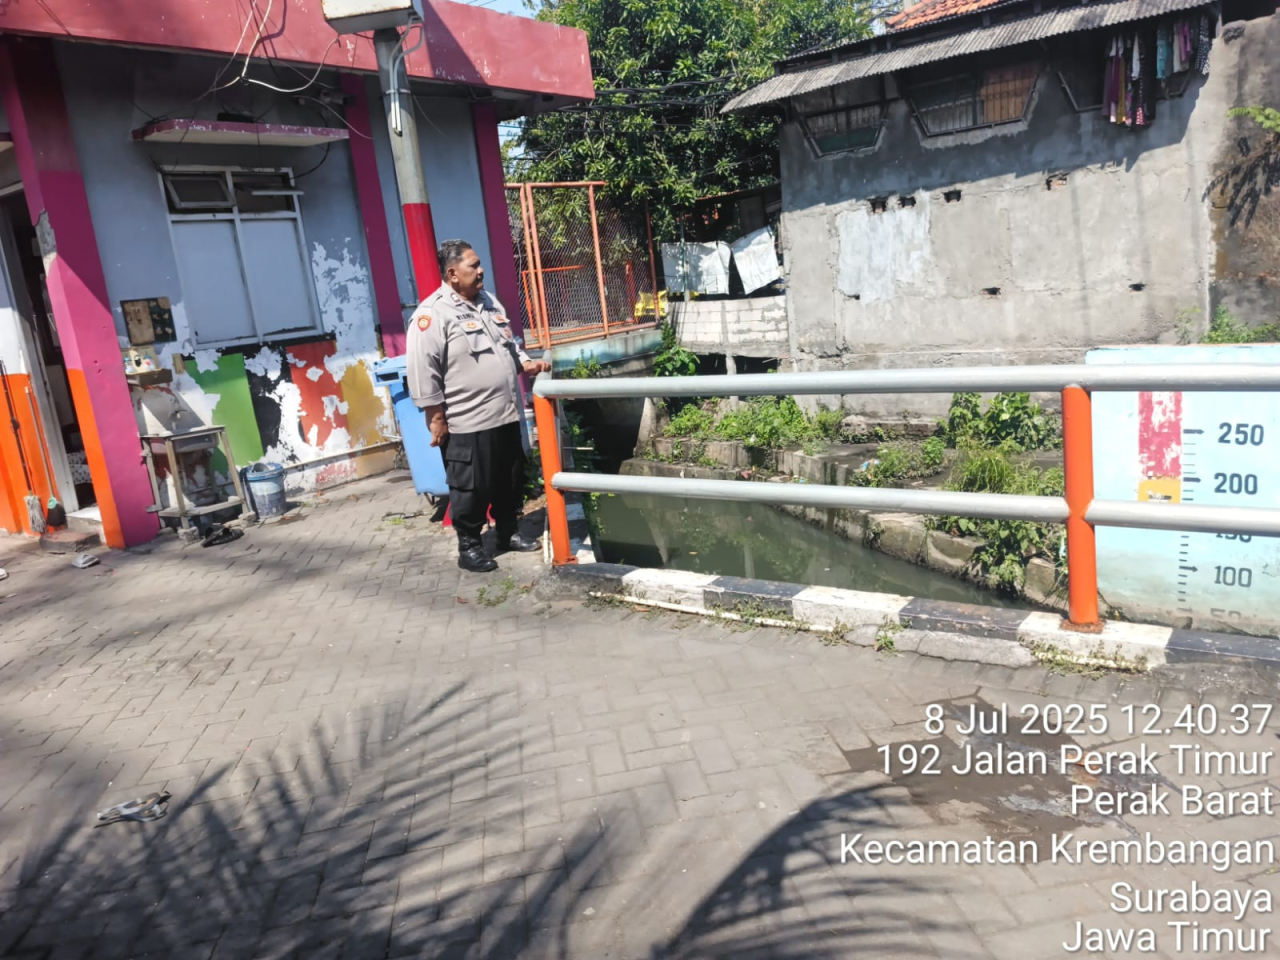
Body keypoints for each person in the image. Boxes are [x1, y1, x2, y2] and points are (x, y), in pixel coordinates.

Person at [406, 240, 551, 572]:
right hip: (467, 420)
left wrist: (525, 362)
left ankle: (508, 532)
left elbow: (509, 343)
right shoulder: (432, 314)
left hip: (505, 413)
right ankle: (469, 547)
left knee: (509, 479)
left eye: (479, 263)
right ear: (453, 273)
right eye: (473, 265)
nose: (481, 270)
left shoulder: (489, 301)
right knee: (471, 487)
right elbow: (422, 369)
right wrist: (435, 415)